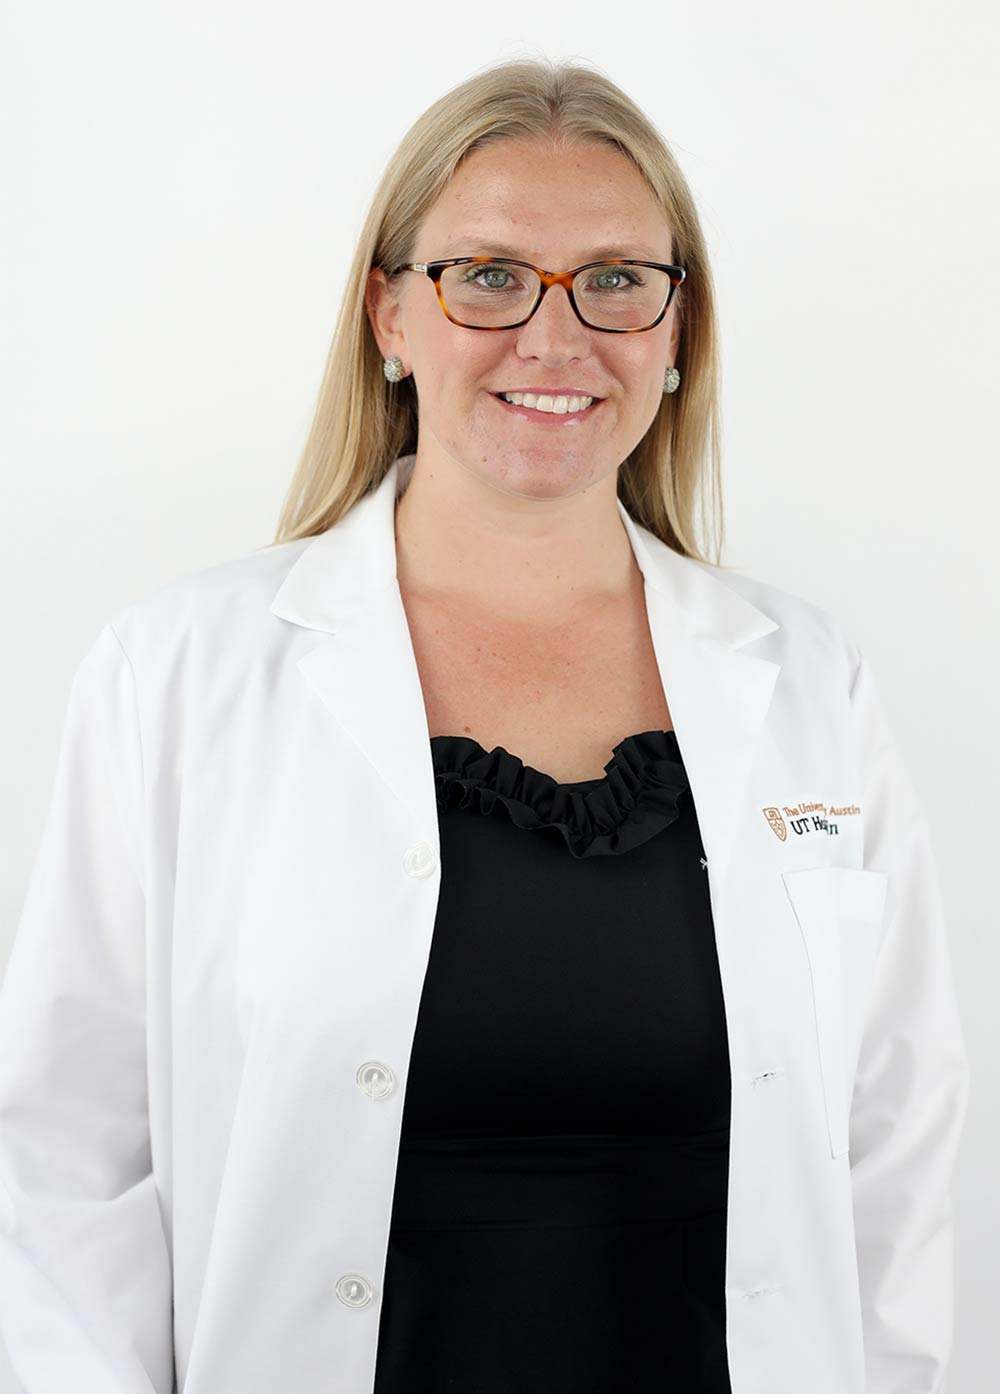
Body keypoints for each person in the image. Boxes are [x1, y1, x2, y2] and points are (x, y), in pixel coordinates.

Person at [0, 57, 970, 1394]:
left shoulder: (810, 684)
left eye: (619, 280)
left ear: (681, 330)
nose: (555, 337)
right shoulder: (177, 676)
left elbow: (897, 1151)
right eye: (489, 274)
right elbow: (59, 1161)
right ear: (389, 313)